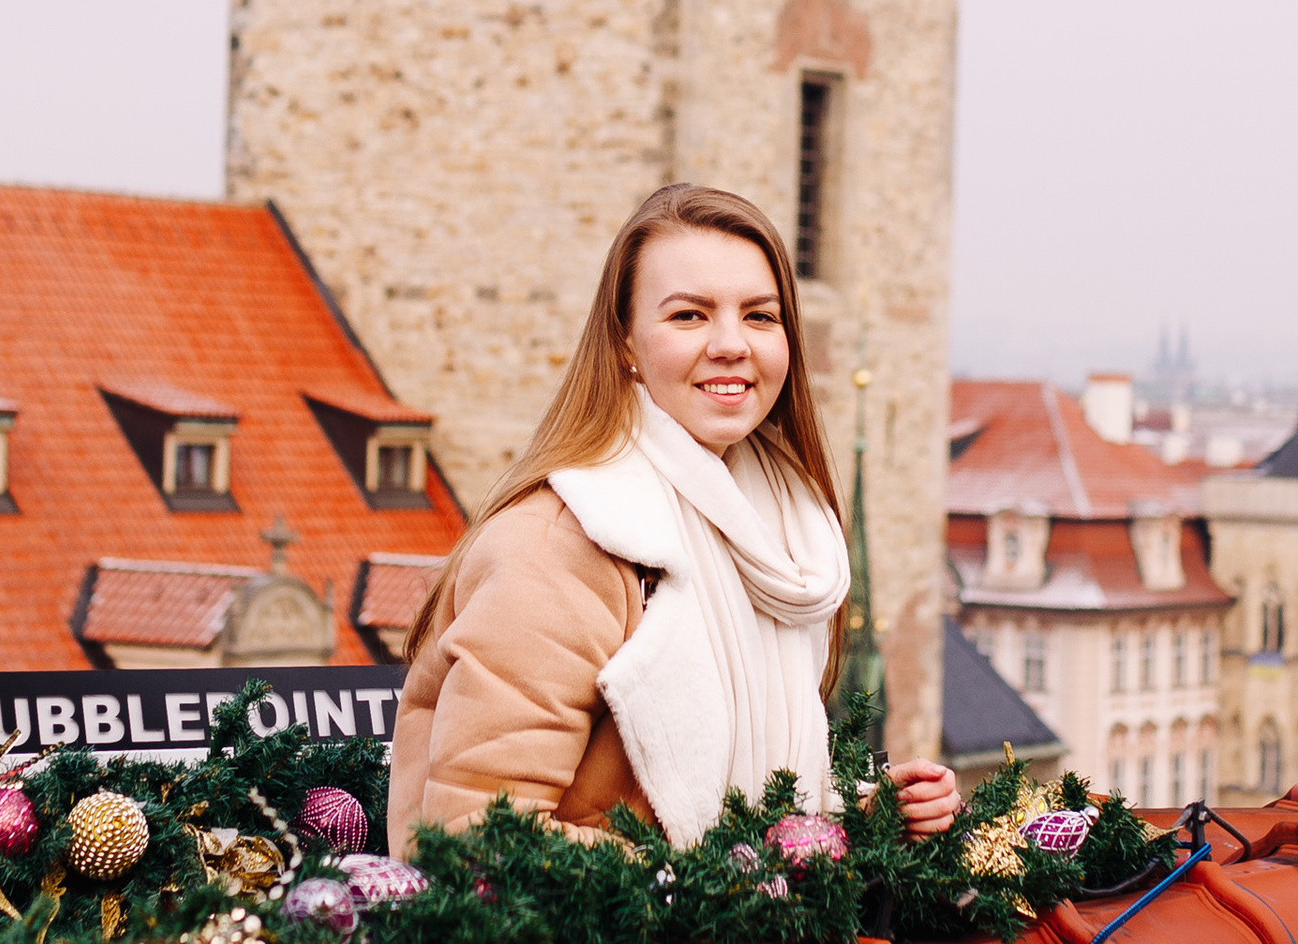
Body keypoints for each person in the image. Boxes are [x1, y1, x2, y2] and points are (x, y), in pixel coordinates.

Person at [390, 183, 961, 852]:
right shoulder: (557, 547)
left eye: (760, 316)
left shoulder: (781, 542)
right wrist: (713, 886)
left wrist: (852, 821)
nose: (731, 344)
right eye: (689, 316)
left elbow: (730, 798)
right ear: (625, 343)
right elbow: (475, 842)